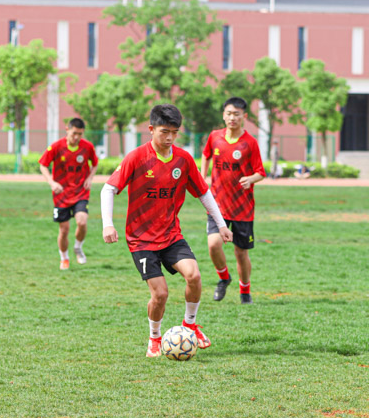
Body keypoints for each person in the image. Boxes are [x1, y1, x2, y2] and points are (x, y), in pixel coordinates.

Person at [101, 103, 232, 357]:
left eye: (174, 132)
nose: (170, 137)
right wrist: (108, 223)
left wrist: (222, 225)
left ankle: (190, 325)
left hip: (171, 235)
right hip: (141, 240)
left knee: (194, 276)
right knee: (160, 294)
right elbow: (108, 189)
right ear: (151, 129)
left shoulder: (183, 160)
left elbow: (204, 193)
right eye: (164, 132)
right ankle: (154, 338)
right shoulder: (136, 157)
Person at [201, 97, 266, 304]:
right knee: (213, 245)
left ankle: (245, 292)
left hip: (242, 208)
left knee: (241, 253)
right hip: (217, 204)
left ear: (244, 116)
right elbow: (206, 155)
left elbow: (261, 172)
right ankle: (224, 278)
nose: (232, 118)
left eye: (236, 114)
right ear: (223, 115)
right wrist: (203, 177)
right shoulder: (215, 137)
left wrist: (251, 179)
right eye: (229, 113)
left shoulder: (250, 143)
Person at [38, 117, 99, 270]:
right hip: (61, 195)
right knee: (64, 230)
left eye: (80, 134)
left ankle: (78, 247)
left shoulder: (87, 147)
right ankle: (64, 258)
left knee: (82, 222)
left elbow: (95, 163)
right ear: (67, 130)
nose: (76, 137)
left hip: (80, 192)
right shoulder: (56, 147)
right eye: (74, 133)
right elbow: (43, 165)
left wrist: (90, 178)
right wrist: (52, 183)